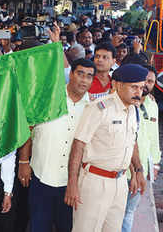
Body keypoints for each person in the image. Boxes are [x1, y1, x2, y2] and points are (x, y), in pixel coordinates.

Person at [64, 63, 148, 232]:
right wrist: (72, 182)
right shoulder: (99, 108)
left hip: (120, 183)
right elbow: (79, 144)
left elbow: (132, 142)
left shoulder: (133, 110)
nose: (138, 93)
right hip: (95, 182)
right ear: (117, 85)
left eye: (141, 88)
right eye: (133, 87)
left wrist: (138, 170)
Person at [18, 58, 95, 232]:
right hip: (41, 176)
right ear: (71, 74)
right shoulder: (48, 98)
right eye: (80, 74)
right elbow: (27, 129)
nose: (84, 80)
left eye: (89, 76)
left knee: (67, 227)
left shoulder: (92, 108)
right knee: (38, 227)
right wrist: (23, 162)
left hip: (71, 184)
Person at [121, 65, 161, 232]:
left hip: (141, 169)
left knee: (129, 212)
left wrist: (156, 163)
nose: (146, 85)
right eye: (144, 81)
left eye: (150, 82)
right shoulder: (126, 103)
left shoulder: (152, 105)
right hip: (121, 170)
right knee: (113, 212)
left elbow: (154, 136)